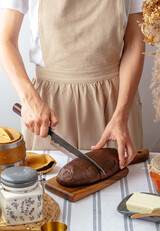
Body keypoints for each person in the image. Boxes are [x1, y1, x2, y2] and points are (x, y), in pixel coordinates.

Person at [0, 0, 145, 169]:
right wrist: (29, 100)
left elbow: (135, 44)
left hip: (116, 105)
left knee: (123, 184)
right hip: (47, 107)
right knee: (46, 188)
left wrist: (121, 115)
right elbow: (6, 40)